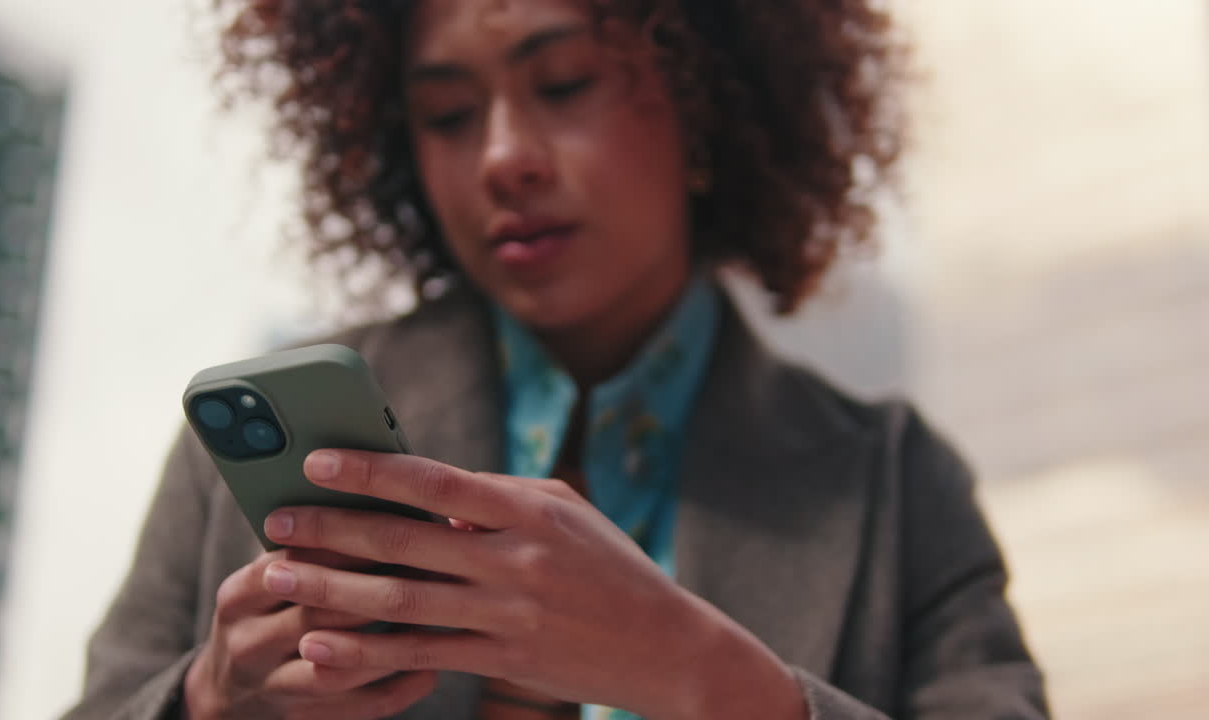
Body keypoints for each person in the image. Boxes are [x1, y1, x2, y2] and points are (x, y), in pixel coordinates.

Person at [62, 1, 1049, 718]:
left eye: (564, 82)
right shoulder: (235, 453)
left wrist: (717, 684)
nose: (501, 156)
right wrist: (203, 702)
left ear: (708, 98)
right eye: (446, 113)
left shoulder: (894, 479)